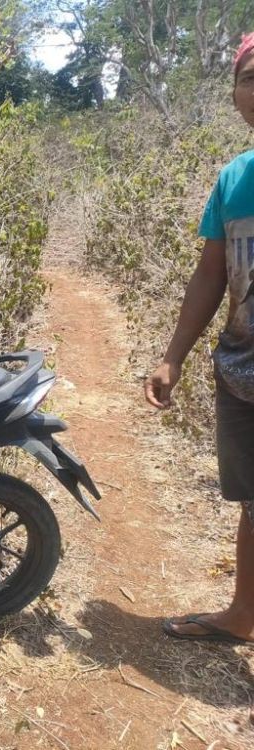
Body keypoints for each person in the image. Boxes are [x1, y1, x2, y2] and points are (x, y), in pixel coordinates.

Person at [145, 33, 254, 645]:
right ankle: (244, 614)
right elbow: (211, 274)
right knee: (252, 502)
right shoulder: (234, 179)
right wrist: (172, 356)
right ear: (236, 91)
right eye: (251, 77)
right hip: (241, 371)